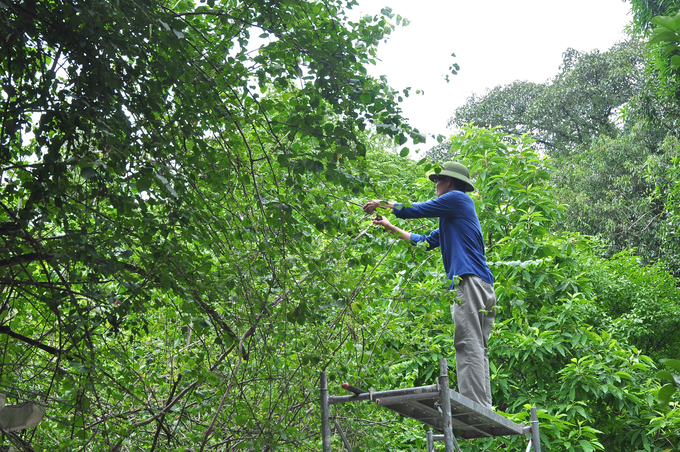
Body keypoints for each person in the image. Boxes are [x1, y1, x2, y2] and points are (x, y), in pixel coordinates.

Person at [363, 161, 496, 408]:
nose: (435, 186)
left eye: (438, 181)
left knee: (467, 343)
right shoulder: (453, 217)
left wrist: (381, 203)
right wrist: (390, 226)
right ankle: (482, 402)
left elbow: (417, 209)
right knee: (477, 346)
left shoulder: (458, 198)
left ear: (449, 182)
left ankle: (475, 404)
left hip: (469, 282)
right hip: (482, 285)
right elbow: (424, 241)